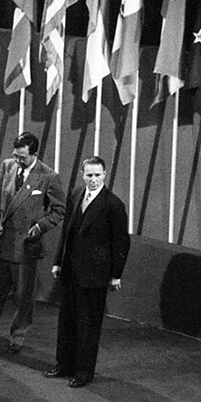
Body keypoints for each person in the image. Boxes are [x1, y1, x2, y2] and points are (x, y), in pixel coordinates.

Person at [0, 132, 65, 354]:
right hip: (4, 243)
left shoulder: (48, 176)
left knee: (23, 298)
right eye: (16, 156)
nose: (18, 161)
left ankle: (17, 339)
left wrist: (39, 227)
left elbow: (59, 210)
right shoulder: (8, 167)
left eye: (23, 158)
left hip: (27, 247)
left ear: (34, 154)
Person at [45, 157, 129, 387]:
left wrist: (116, 275)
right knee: (67, 320)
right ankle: (64, 364)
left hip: (95, 275)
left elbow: (121, 243)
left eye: (97, 175)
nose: (93, 180)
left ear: (105, 174)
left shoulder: (113, 204)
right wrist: (58, 262)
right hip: (71, 270)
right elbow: (67, 233)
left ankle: (84, 371)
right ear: (82, 174)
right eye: (88, 175)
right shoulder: (75, 195)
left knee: (88, 325)